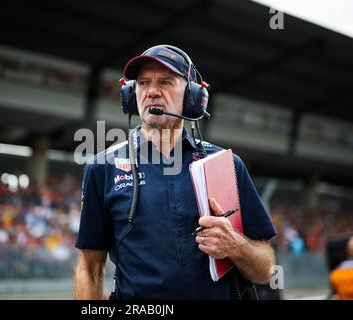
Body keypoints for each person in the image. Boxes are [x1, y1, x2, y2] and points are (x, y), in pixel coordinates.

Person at [74, 44, 276, 299]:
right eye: (143, 82)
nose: (152, 92)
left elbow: (266, 269)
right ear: (130, 94)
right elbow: (90, 268)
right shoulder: (102, 168)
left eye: (166, 82)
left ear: (192, 96)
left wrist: (235, 246)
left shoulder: (226, 165)